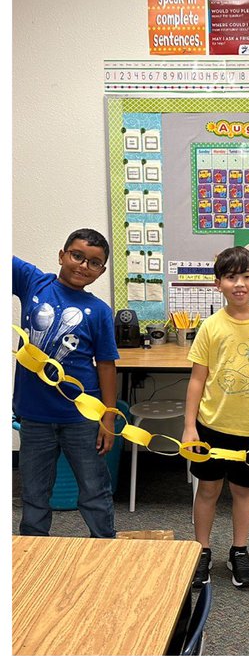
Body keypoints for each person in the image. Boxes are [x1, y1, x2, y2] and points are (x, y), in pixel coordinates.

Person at [182, 246, 249, 591]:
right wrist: (189, 426)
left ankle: (239, 550)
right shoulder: (211, 327)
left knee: (244, 491)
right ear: (218, 284)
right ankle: (201, 550)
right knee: (208, 490)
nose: (239, 283)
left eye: (246, 276)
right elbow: (197, 379)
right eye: (231, 277)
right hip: (210, 425)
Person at [13, 230, 118, 538]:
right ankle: (32, 549)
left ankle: (104, 544)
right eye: (77, 256)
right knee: (33, 493)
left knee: (94, 489)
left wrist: (108, 417)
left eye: (94, 262)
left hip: (82, 417)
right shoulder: (34, 283)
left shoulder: (100, 311)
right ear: (62, 255)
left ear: (101, 271)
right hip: (34, 416)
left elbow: (106, 365)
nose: (84, 266)